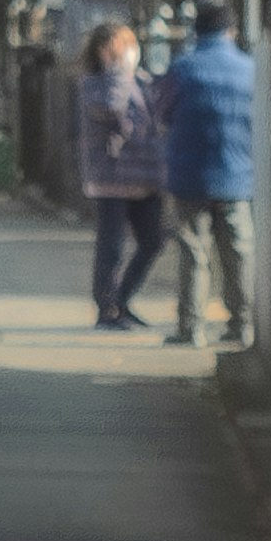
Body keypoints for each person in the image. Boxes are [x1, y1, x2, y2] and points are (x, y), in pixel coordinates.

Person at [159, 0, 257, 348]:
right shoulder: (249, 68)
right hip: (237, 177)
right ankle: (243, 326)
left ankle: (192, 328)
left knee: (193, 253)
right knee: (239, 253)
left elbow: (163, 113)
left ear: (196, 30)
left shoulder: (183, 68)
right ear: (231, 29)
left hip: (189, 177)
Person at [78, 18, 166, 331]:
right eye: (124, 46)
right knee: (111, 247)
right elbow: (115, 112)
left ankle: (122, 300)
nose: (132, 52)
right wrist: (119, 70)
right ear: (105, 52)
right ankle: (106, 309)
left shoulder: (139, 80)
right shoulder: (95, 84)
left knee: (153, 240)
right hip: (112, 179)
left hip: (144, 178)